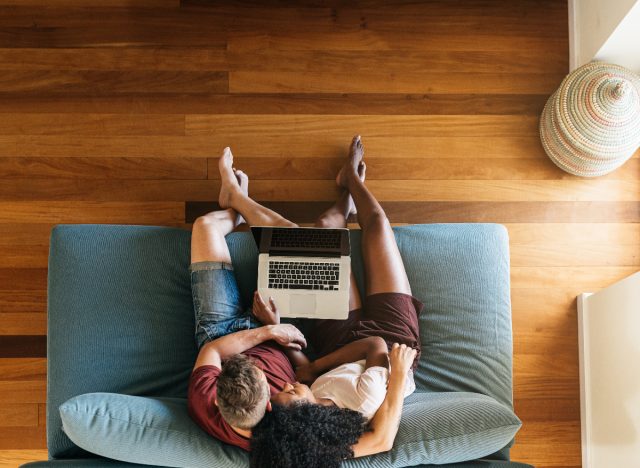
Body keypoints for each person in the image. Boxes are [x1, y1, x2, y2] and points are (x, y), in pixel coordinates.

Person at [188, 136, 422, 460]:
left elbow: (218, 351)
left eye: (277, 388)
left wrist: (273, 331)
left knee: (311, 235)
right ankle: (350, 182)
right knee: (364, 226)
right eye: (282, 389)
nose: (282, 385)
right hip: (376, 344)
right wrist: (308, 367)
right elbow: (381, 439)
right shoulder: (313, 431)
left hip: (281, 338)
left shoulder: (276, 420)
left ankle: (242, 200)